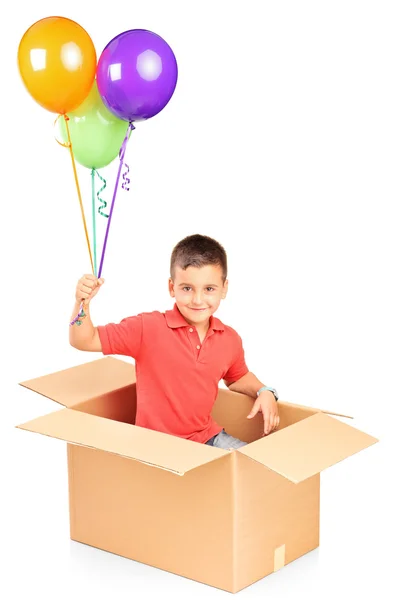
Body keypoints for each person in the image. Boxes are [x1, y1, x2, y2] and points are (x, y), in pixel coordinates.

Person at [69, 234, 279, 449]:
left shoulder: (229, 338)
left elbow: (237, 377)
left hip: (208, 438)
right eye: (187, 288)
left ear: (224, 288)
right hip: (156, 448)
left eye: (209, 289)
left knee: (258, 466)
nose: (198, 300)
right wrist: (82, 303)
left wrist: (265, 391)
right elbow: (85, 340)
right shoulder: (147, 328)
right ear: (172, 287)